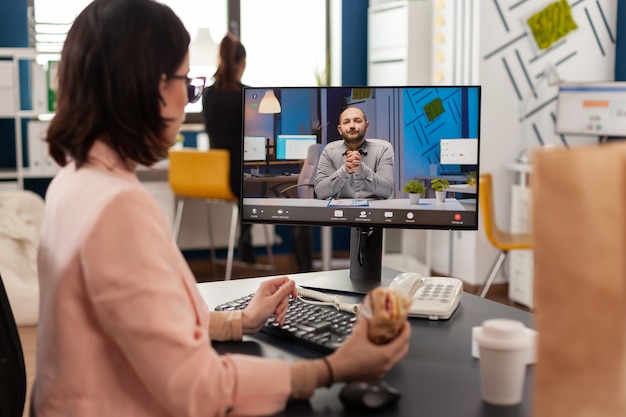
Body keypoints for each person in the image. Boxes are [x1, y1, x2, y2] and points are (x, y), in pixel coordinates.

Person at [32, 1, 410, 416]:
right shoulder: (117, 209)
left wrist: (241, 321)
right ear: (147, 86)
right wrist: (332, 368)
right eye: (188, 82)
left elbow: (147, 320)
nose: (190, 96)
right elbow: (198, 388)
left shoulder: (72, 182)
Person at [201, 33, 256, 263]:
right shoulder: (246, 94)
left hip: (212, 177)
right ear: (241, 63)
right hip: (237, 181)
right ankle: (247, 238)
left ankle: (246, 239)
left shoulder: (208, 94)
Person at [315, 106, 395, 200]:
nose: (352, 126)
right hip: (339, 211)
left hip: (374, 210)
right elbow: (320, 192)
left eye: (357, 121)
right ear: (340, 129)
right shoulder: (329, 151)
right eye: (346, 122)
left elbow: (387, 191)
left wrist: (362, 170)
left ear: (367, 126)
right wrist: (344, 170)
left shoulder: (383, 150)